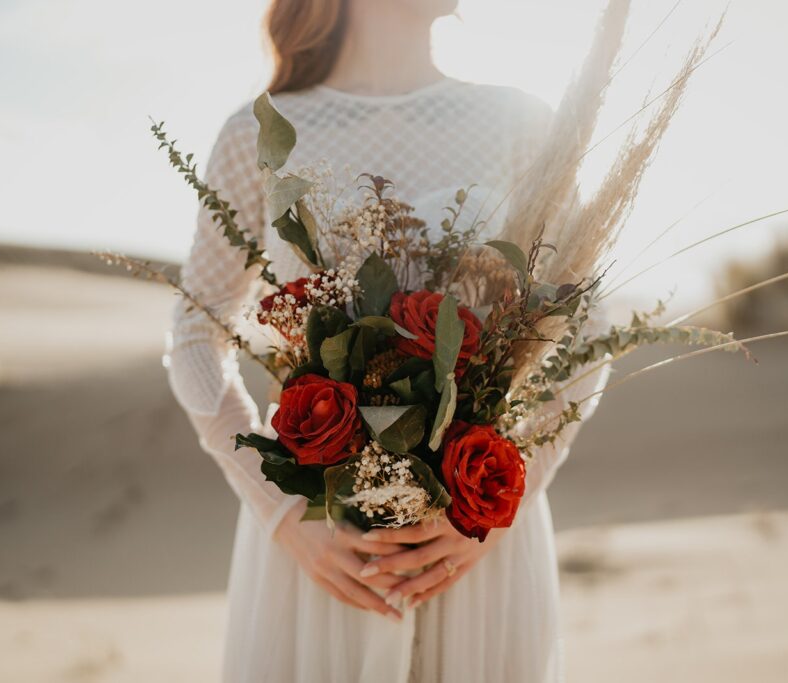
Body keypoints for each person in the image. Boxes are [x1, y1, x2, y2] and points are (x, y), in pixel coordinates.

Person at [166, 0, 608, 680]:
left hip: (475, 554)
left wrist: (505, 501)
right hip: (321, 552)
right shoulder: (259, 131)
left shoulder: (520, 123)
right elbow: (196, 334)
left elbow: (588, 320)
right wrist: (279, 507)